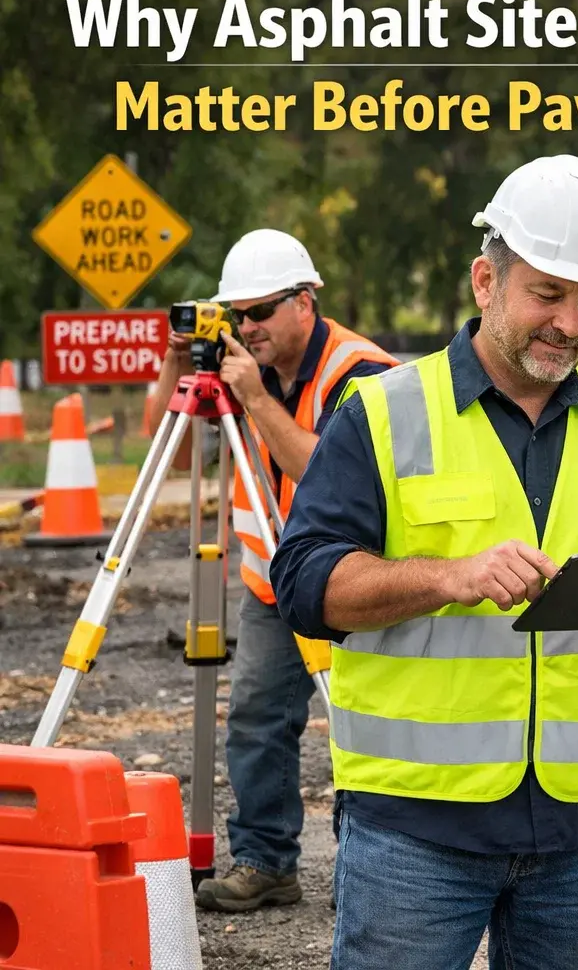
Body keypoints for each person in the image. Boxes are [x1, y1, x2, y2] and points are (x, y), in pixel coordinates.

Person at [270, 154, 578, 969]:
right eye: (547, 294)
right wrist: (446, 577)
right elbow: (304, 584)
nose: (570, 323)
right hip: (416, 829)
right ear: (486, 281)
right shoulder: (383, 413)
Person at [148, 228, 399, 911]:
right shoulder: (244, 369)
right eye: (238, 315)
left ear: (304, 302)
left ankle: (373, 873)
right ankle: (265, 861)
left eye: (260, 312)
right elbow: (174, 457)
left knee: (360, 725)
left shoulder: (360, 373)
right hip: (272, 581)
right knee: (257, 717)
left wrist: (256, 400)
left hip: (351, 581)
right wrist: (177, 365)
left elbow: (333, 477)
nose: (248, 327)